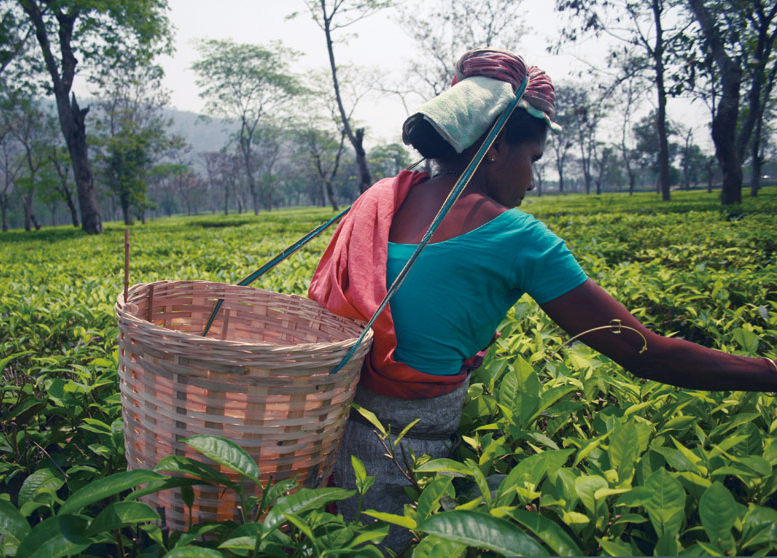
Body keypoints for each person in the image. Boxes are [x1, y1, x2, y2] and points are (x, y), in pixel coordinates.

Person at [308, 48, 777, 553]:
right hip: (408, 466)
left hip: (321, 447)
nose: (531, 180)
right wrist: (769, 371)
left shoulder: (378, 200)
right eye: (532, 159)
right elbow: (647, 353)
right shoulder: (516, 237)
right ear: (493, 150)